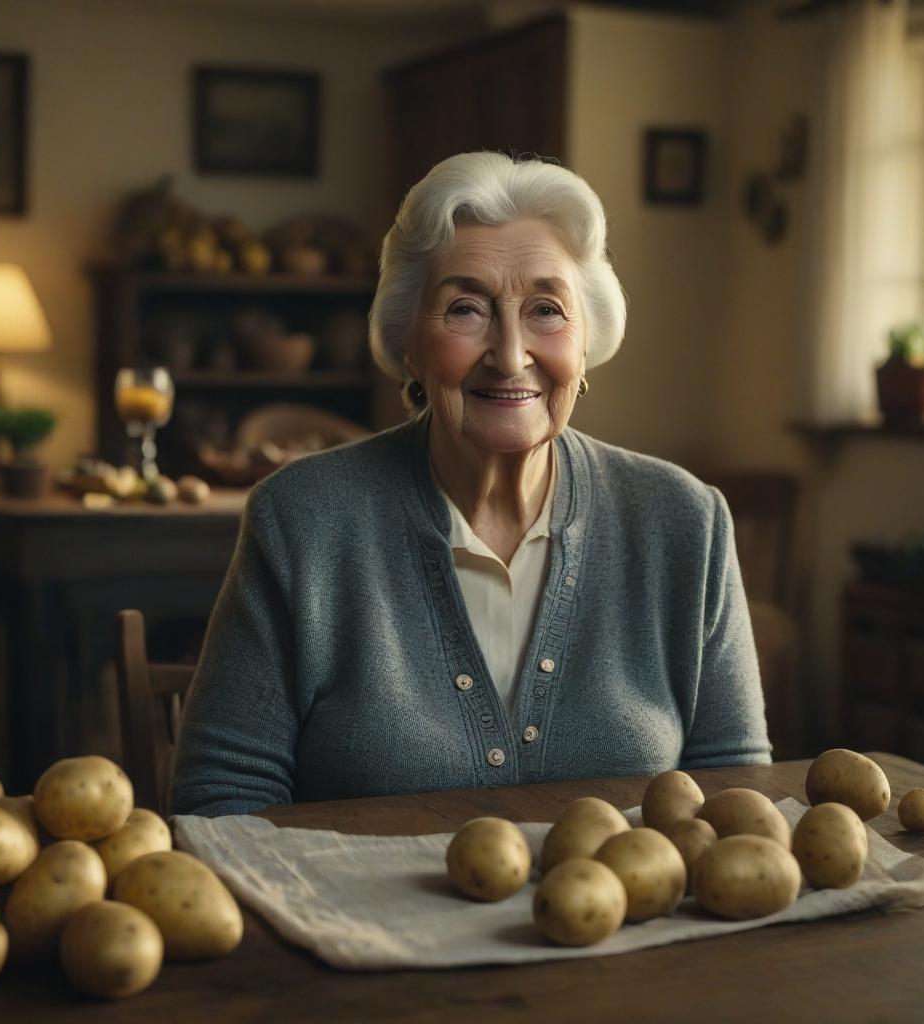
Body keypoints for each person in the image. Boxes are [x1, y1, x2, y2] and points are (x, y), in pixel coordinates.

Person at [170, 151, 771, 817]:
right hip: (362, 919)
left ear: (586, 339)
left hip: (629, 920)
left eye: (547, 309)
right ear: (409, 342)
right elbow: (221, 798)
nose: (511, 354)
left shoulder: (686, 522)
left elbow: (733, 799)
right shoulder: (303, 519)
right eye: (465, 309)